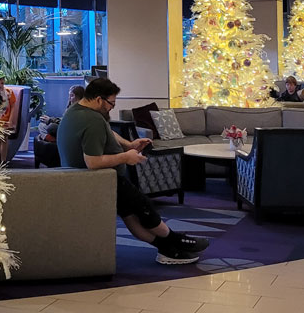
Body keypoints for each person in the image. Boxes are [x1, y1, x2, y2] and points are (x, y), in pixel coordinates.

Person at [56, 77, 210, 265]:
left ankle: (167, 249)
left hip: (84, 180)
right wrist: (126, 157)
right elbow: (93, 162)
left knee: (131, 214)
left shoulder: (76, 112)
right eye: (111, 103)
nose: (112, 107)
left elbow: (107, 132)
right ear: (98, 99)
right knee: (142, 207)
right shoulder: (92, 119)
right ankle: (174, 241)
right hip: (99, 180)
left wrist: (128, 144)